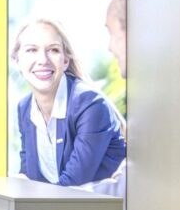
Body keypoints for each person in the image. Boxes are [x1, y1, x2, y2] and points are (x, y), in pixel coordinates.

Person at [11, 17, 126, 188]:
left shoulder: (90, 104)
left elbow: (73, 185)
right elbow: (29, 176)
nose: (43, 60)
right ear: (16, 61)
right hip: (61, 203)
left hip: (104, 204)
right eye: (31, 50)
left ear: (65, 61)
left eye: (53, 50)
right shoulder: (25, 108)